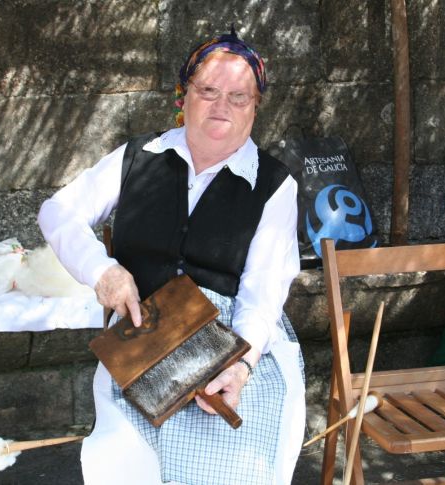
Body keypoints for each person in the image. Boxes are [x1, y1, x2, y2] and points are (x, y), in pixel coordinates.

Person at [38, 27, 305, 485]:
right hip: (142, 338)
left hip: (231, 341)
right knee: (125, 464)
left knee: (230, 466)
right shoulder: (139, 156)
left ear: (256, 107)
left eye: (239, 97)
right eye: (209, 91)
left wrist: (239, 367)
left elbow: (264, 291)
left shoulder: (274, 185)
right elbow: (58, 211)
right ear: (184, 96)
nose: (222, 106)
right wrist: (102, 271)